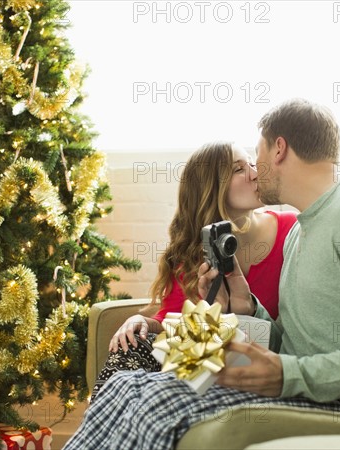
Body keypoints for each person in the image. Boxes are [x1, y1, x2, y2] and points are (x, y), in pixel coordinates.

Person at [64, 99, 340, 450]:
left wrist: (288, 375)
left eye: (255, 156)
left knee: (160, 398)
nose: (256, 171)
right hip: (310, 391)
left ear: (279, 149)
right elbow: (297, 343)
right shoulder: (303, 229)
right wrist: (247, 305)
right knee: (127, 384)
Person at [89, 141, 297, 401]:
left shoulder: (291, 231)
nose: (255, 173)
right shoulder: (192, 251)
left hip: (259, 364)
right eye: (238, 169)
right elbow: (170, 323)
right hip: (204, 362)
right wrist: (140, 321)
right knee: (133, 352)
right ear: (211, 188)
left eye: (252, 164)